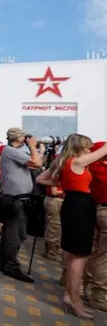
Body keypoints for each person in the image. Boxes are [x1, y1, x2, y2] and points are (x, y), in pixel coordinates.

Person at [36, 135, 107, 319]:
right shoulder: (77, 161)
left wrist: (64, 183)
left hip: (72, 203)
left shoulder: (65, 162)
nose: (90, 150)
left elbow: (41, 179)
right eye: (87, 147)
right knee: (79, 256)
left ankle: (71, 295)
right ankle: (75, 300)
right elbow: (104, 150)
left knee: (71, 254)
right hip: (80, 206)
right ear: (80, 147)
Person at [0, 127, 43, 283]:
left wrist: (38, 150)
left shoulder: (14, 153)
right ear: (16, 137)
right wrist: (32, 146)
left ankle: (4, 263)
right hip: (16, 200)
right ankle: (11, 266)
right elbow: (36, 163)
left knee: (10, 233)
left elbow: (38, 163)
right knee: (15, 234)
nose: (26, 137)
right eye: (23, 135)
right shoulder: (10, 150)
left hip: (18, 199)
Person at [87, 141, 107, 312]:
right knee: (103, 256)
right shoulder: (102, 170)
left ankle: (86, 284)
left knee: (93, 251)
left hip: (95, 210)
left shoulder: (92, 167)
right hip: (105, 212)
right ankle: (98, 293)